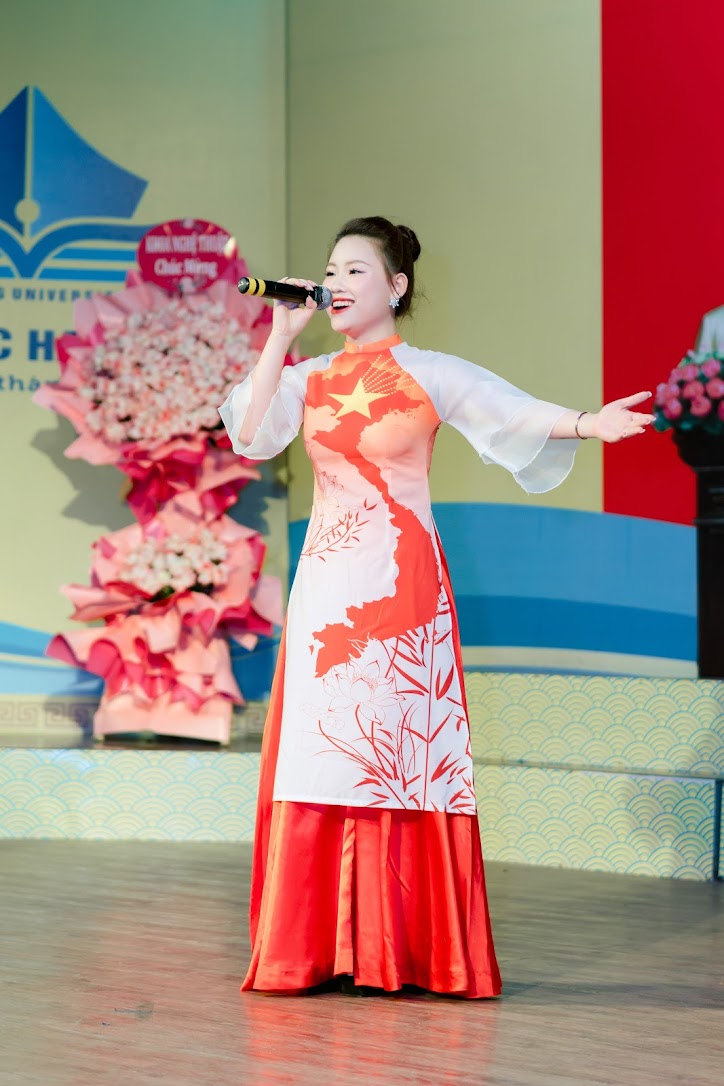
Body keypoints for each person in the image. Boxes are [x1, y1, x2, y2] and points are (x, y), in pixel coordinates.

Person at [219, 216, 654, 998]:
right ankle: (310, 949)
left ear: (396, 286)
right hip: (327, 591)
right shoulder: (307, 375)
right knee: (323, 754)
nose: (337, 284)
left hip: (404, 586)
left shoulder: (429, 372)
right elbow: (251, 437)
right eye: (330, 271)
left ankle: (407, 950)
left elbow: (509, 414)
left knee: (400, 757)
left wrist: (592, 423)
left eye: (356, 271)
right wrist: (281, 335)